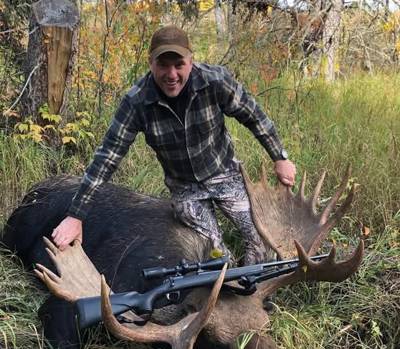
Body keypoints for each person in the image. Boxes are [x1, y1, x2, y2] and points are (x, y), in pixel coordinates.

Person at [52, 25, 296, 264]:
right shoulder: (137, 102)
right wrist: (76, 215)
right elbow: (107, 157)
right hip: (186, 189)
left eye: (179, 65)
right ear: (150, 63)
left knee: (264, 246)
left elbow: (254, 116)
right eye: (163, 65)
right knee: (214, 259)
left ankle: (254, 284)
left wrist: (280, 157)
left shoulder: (214, 81)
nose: (171, 75)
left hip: (224, 175)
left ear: (191, 61)